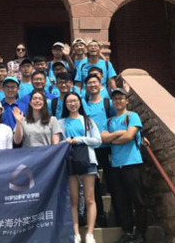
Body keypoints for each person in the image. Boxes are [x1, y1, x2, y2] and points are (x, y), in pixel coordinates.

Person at [102, 88, 146, 243]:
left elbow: (129, 136)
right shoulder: (109, 121)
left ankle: (140, 233)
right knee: (122, 202)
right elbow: (103, 138)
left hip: (132, 163)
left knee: (138, 200)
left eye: (121, 98)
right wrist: (118, 134)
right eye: (115, 99)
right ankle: (127, 231)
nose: (118, 101)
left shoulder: (132, 116)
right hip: (116, 165)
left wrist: (113, 140)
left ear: (126, 101)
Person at [60, 92, 101, 243]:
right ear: (65, 104)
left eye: (75, 101)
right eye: (69, 101)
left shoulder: (88, 120)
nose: (73, 104)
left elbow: (97, 140)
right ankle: (76, 233)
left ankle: (90, 233)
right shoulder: (61, 122)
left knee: (90, 199)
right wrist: (66, 141)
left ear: (80, 102)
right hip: (69, 162)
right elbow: (57, 143)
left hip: (88, 160)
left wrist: (78, 139)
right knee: (73, 199)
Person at [84, 74, 115, 227]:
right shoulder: (84, 105)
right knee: (94, 186)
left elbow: (119, 119)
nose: (92, 85)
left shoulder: (108, 103)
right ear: (86, 87)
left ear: (100, 84)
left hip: (108, 148)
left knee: (113, 183)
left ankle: (117, 215)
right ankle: (99, 217)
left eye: (95, 82)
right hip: (91, 149)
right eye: (89, 83)